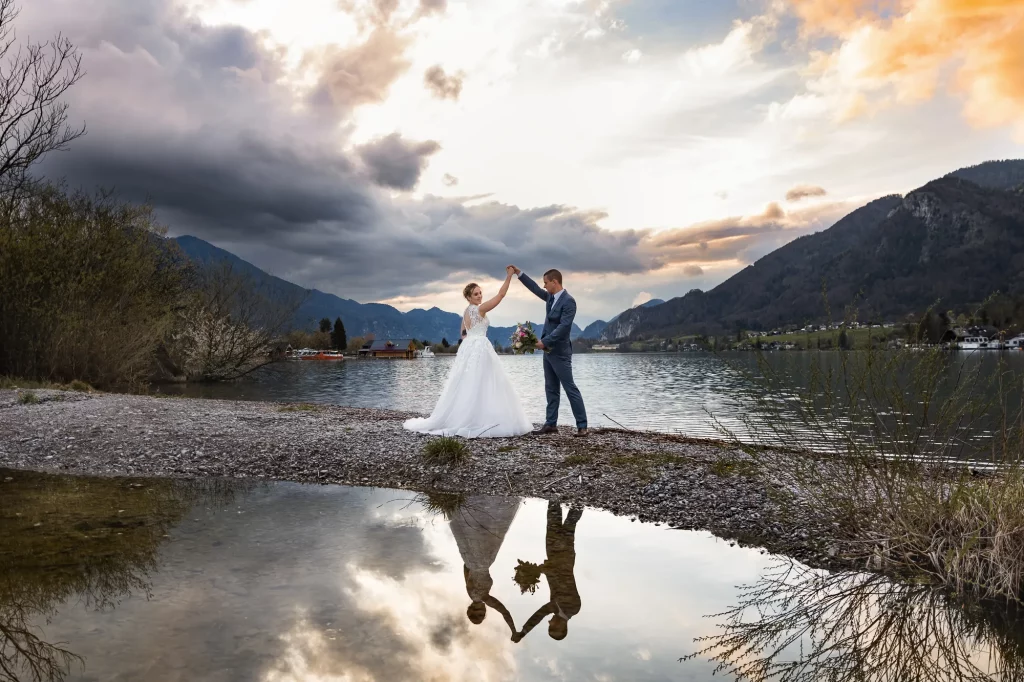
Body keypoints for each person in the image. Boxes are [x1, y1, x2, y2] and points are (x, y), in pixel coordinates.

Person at [403, 266, 532, 438]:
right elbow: (500, 296)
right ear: (469, 297)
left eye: (480, 293)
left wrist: (470, 343)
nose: (480, 296)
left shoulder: (465, 312)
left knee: (470, 382)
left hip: (470, 346)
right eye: (476, 294)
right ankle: (477, 419)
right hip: (478, 347)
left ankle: (469, 416)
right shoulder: (479, 309)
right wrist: (509, 276)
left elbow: (463, 333)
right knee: (483, 381)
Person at [509, 266, 588, 437]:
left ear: (555, 282)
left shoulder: (569, 301)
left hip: (560, 352)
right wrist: (519, 273)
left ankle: (582, 426)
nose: (544, 286)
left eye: (546, 283)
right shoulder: (551, 298)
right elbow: (535, 289)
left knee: (570, 388)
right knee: (551, 388)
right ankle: (551, 424)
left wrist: (544, 341)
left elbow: (564, 327)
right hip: (547, 352)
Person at [513, 501, 583, 642]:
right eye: (552, 627)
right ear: (561, 626)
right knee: (564, 523)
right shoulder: (571, 608)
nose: (549, 622)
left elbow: (538, 616)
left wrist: (524, 632)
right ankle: (577, 493)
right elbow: (563, 581)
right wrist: (544, 570)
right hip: (562, 557)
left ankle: (563, 495)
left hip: (557, 556)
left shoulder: (558, 609)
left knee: (565, 522)